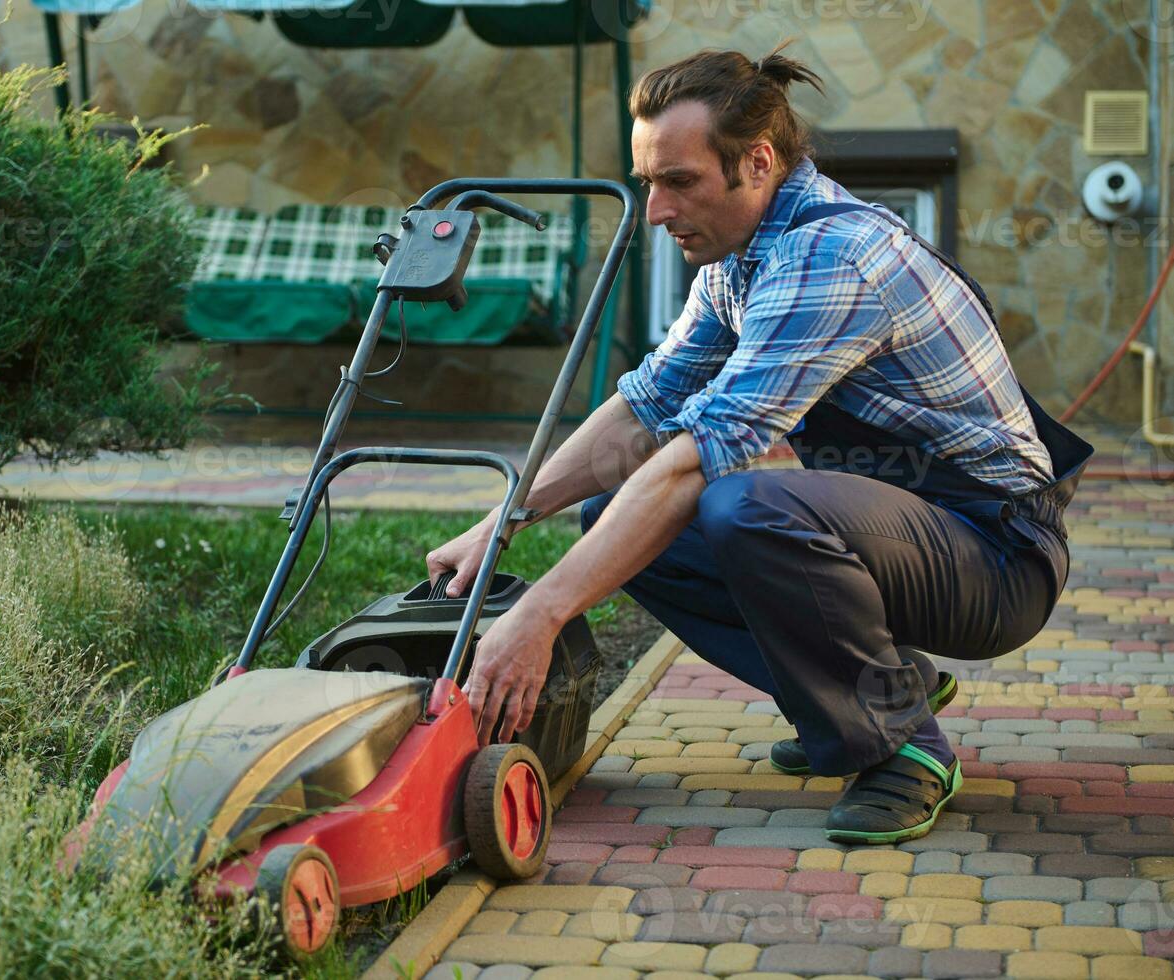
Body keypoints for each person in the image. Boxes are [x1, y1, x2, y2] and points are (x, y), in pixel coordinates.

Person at [425, 42, 1093, 845]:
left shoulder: (831, 257)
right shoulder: (737, 262)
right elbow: (644, 411)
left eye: (679, 182)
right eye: (648, 184)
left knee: (748, 504)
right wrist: (499, 524)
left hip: (995, 556)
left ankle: (904, 750)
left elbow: (701, 454)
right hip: (905, 532)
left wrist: (540, 613)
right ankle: (889, 687)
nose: (656, 213)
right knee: (616, 515)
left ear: (758, 163)